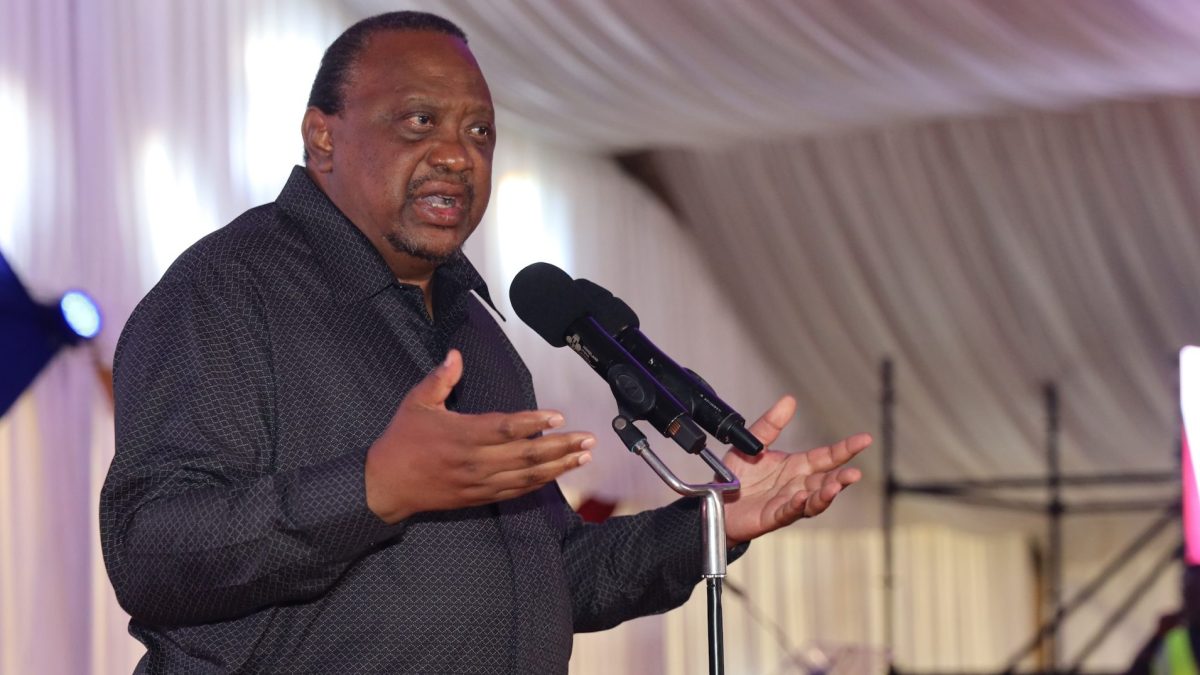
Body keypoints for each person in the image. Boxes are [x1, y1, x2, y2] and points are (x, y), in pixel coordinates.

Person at [99, 11, 870, 674]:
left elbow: (553, 576)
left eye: (479, 131)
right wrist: (372, 488)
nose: (456, 153)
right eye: (418, 122)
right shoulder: (228, 292)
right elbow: (151, 551)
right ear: (322, 139)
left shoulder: (473, 327)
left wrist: (711, 519)